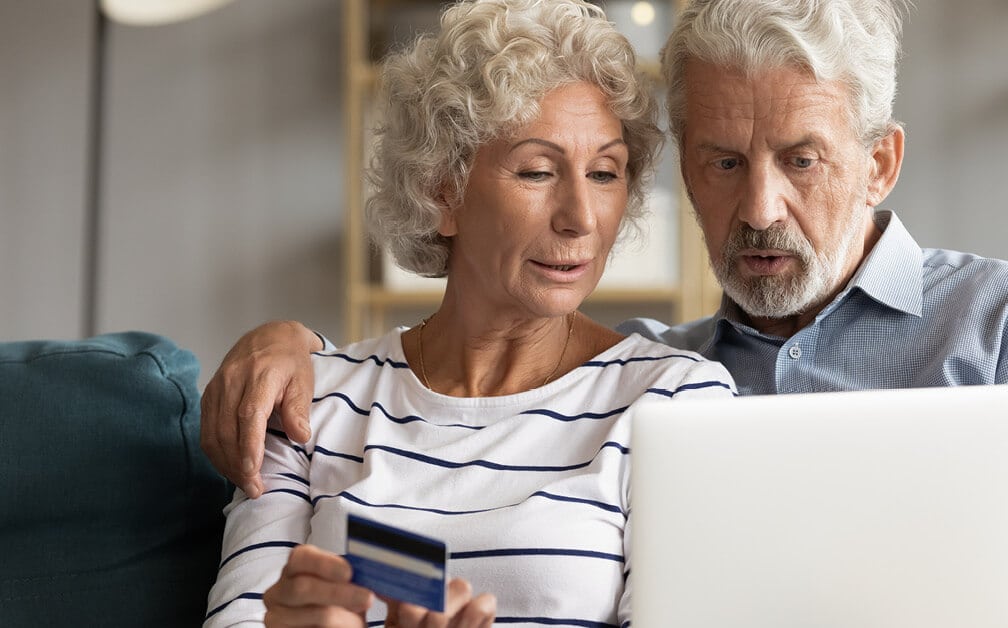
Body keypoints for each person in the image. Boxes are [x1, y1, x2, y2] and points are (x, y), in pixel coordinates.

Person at [202, 0, 1008, 626]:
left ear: (879, 163)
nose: (757, 209)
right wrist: (286, 346)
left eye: (801, 159)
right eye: (720, 162)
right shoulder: (663, 376)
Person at [202, 1, 737, 625]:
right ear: (440, 191)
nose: (582, 217)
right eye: (537, 171)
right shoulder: (309, 404)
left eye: (604, 173)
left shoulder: (673, 401)